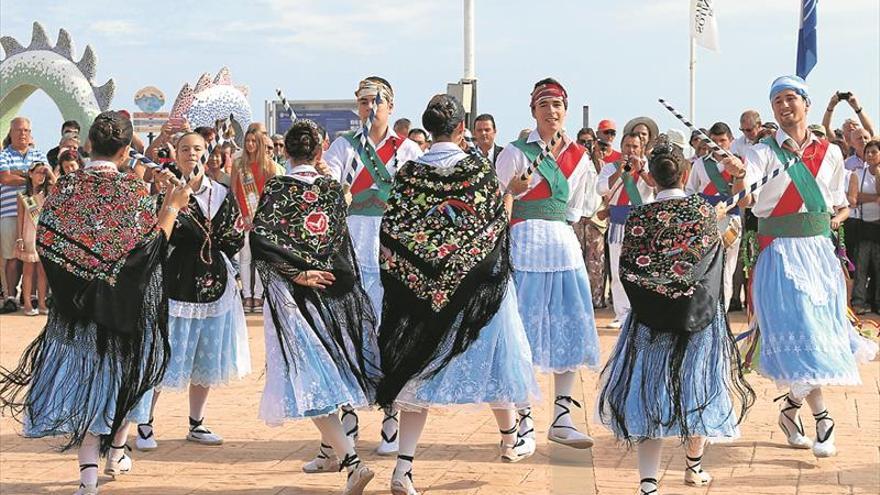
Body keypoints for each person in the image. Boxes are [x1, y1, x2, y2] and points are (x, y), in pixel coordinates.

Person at [0, 111, 195, 495]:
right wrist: (172, 206)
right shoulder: (134, 193)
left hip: (78, 309)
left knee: (91, 388)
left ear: (89, 145)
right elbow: (148, 252)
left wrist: (78, 285)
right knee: (125, 381)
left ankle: (89, 479)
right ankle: (117, 450)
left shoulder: (64, 188)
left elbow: (48, 244)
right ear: (125, 152)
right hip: (124, 309)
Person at [377, 94, 539, 495]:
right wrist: (512, 194)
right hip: (473, 289)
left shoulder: (410, 173)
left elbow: (393, 231)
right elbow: (494, 226)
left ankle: (404, 468)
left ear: (428, 130)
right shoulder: (478, 172)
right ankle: (509, 437)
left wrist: (421, 273)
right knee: (497, 362)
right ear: (461, 128)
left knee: (416, 376)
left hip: (422, 292)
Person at [599, 137, 755, 495]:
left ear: (650, 179)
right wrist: (734, 189)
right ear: (687, 173)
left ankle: (648, 483)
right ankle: (693, 467)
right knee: (698, 385)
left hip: (649, 319)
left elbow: (628, 271)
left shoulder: (638, 216)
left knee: (647, 394)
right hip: (697, 317)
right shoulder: (703, 212)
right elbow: (730, 232)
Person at [738, 76, 878, 458]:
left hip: (819, 254)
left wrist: (836, 218)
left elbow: (834, 201)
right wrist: (740, 178)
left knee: (823, 333)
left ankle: (790, 409)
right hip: (780, 253)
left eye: (790, 98)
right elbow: (748, 187)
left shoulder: (830, 153)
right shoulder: (761, 153)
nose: (785, 106)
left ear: (806, 104)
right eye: (777, 101)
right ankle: (823, 418)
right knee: (804, 330)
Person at [252, 119, 377, 495]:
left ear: (284, 153)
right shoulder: (333, 192)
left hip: (293, 296)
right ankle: (329, 453)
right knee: (326, 371)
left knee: (310, 379)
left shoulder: (277, 187)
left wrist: (298, 272)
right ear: (320, 152)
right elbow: (342, 246)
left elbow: (261, 238)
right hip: (333, 294)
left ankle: (352, 461)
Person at [495, 78, 600, 451]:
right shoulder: (514, 152)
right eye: (544, 106)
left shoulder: (579, 157)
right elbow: (497, 202)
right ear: (533, 111)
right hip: (524, 247)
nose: (551, 112)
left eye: (557, 106)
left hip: (562, 247)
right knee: (521, 334)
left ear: (565, 111)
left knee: (569, 330)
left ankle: (562, 417)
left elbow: (581, 208)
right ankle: (523, 422)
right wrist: (512, 191)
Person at [322, 77, 423, 457]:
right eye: (364, 102)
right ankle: (348, 413)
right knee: (349, 327)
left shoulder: (409, 149)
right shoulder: (344, 147)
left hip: (391, 245)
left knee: (391, 329)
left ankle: (391, 414)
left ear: (390, 106)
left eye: (376, 102)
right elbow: (329, 187)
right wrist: (340, 191)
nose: (370, 108)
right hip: (352, 242)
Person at [136, 132, 250, 451]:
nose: (191, 154)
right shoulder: (168, 194)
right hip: (176, 282)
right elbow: (159, 236)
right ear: (176, 154)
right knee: (165, 353)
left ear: (208, 153)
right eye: (184, 149)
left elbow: (233, 236)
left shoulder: (222, 193)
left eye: (197, 149)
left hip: (215, 283)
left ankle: (196, 422)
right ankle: (145, 422)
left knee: (205, 355)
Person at [598, 131, 657, 327]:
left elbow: (656, 186)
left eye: (635, 147)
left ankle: (642, 314)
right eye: (627, 146)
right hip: (618, 224)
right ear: (621, 148)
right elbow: (601, 189)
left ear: (641, 148)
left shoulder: (648, 166)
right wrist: (619, 172)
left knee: (642, 270)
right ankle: (622, 314)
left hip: (642, 224)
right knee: (617, 270)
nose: (631, 150)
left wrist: (641, 171)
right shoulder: (610, 168)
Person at [685, 122, 743, 311]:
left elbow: (744, 194)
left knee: (727, 270)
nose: (718, 144)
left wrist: (726, 207)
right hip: (705, 221)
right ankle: (703, 312)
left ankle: (722, 313)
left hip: (730, 219)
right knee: (703, 268)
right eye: (714, 140)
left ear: (731, 140)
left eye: (722, 140)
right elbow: (690, 190)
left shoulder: (738, 163)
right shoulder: (700, 164)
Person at [0, 117, 46, 313]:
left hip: (35, 216)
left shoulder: (38, 153)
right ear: (11, 132)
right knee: (11, 258)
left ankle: (33, 297)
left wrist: (22, 174)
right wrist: (29, 176)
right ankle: (11, 296)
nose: (22, 133)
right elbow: (5, 178)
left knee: (33, 259)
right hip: (10, 211)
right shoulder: (4, 155)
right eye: (18, 130)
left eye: (26, 130)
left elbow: (45, 176)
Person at [231, 127, 277, 313]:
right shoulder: (238, 164)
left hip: (262, 219)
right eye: (247, 141)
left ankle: (258, 296)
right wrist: (242, 215)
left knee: (259, 259)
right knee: (244, 258)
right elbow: (234, 192)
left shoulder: (269, 165)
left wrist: (260, 217)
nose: (250, 144)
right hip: (243, 218)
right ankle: (247, 295)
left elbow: (272, 194)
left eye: (253, 141)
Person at [15, 161, 55, 316]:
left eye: (43, 173)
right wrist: (19, 239)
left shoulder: (48, 192)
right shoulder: (23, 196)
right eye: (38, 172)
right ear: (30, 174)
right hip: (28, 235)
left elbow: (59, 186)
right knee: (28, 271)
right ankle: (27, 304)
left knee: (43, 271)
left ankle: (43, 303)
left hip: (44, 235)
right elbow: (20, 218)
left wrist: (50, 172)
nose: (41, 176)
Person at [848, 138, 880, 314]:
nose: (869, 155)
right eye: (868, 152)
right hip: (863, 226)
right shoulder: (857, 174)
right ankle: (859, 302)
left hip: (878, 227)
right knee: (861, 266)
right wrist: (874, 198)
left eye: (874, 152)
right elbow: (853, 198)